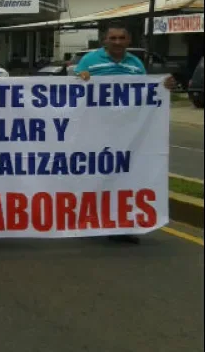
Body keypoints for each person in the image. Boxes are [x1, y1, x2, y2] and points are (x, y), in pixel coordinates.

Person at [74, 21, 176, 244]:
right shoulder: (89, 61)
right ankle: (90, 218)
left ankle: (119, 224)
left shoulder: (136, 63)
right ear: (105, 40)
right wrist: (79, 77)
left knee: (123, 175)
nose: (118, 42)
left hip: (126, 133)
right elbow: (71, 87)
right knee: (95, 174)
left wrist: (163, 86)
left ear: (129, 41)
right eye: (113, 38)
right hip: (96, 129)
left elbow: (145, 92)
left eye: (122, 38)